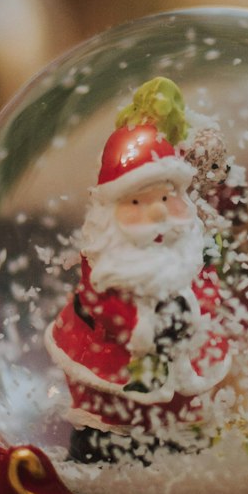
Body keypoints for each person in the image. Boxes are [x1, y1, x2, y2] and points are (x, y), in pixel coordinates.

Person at [45, 91, 231, 464]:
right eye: (137, 203)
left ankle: (175, 439)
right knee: (115, 411)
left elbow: (207, 288)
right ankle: (104, 445)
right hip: (116, 360)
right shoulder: (105, 259)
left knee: (178, 408)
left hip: (182, 359)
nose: (159, 215)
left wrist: (196, 308)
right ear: (112, 208)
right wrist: (146, 327)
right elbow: (104, 306)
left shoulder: (190, 247)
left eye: (166, 199)